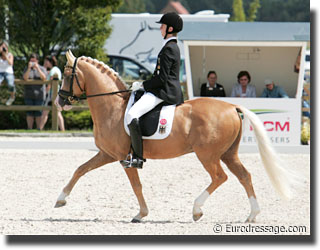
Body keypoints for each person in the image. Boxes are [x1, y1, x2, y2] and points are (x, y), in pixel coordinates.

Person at [123, 12, 184, 168]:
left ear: (170, 28)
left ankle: (137, 157)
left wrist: (143, 85)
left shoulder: (169, 48)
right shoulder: (171, 46)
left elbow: (162, 78)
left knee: (131, 114)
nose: (160, 29)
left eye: (162, 26)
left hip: (164, 91)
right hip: (164, 89)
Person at [23, 53, 48, 129]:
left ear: (37, 61)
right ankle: (29, 128)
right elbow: (25, 78)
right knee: (29, 113)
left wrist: (38, 68)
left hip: (40, 94)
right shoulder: (27, 68)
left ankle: (39, 129)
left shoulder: (42, 68)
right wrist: (29, 68)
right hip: (28, 94)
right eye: (31, 61)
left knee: (38, 113)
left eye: (34, 61)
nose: (33, 62)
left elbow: (44, 78)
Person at [39, 55, 64, 131]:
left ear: (49, 62)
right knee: (56, 112)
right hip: (55, 94)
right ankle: (62, 130)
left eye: (46, 61)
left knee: (46, 112)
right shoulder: (55, 69)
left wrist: (47, 89)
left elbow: (53, 78)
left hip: (52, 94)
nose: (45, 63)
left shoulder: (54, 70)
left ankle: (40, 128)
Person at [0, 41, 15, 105]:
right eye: (2, 46)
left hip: (8, 72)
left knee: (10, 84)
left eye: (5, 47)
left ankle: (12, 97)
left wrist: (5, 55)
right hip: (0, 72)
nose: (3, 48)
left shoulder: (10, 55)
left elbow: (11, 63)